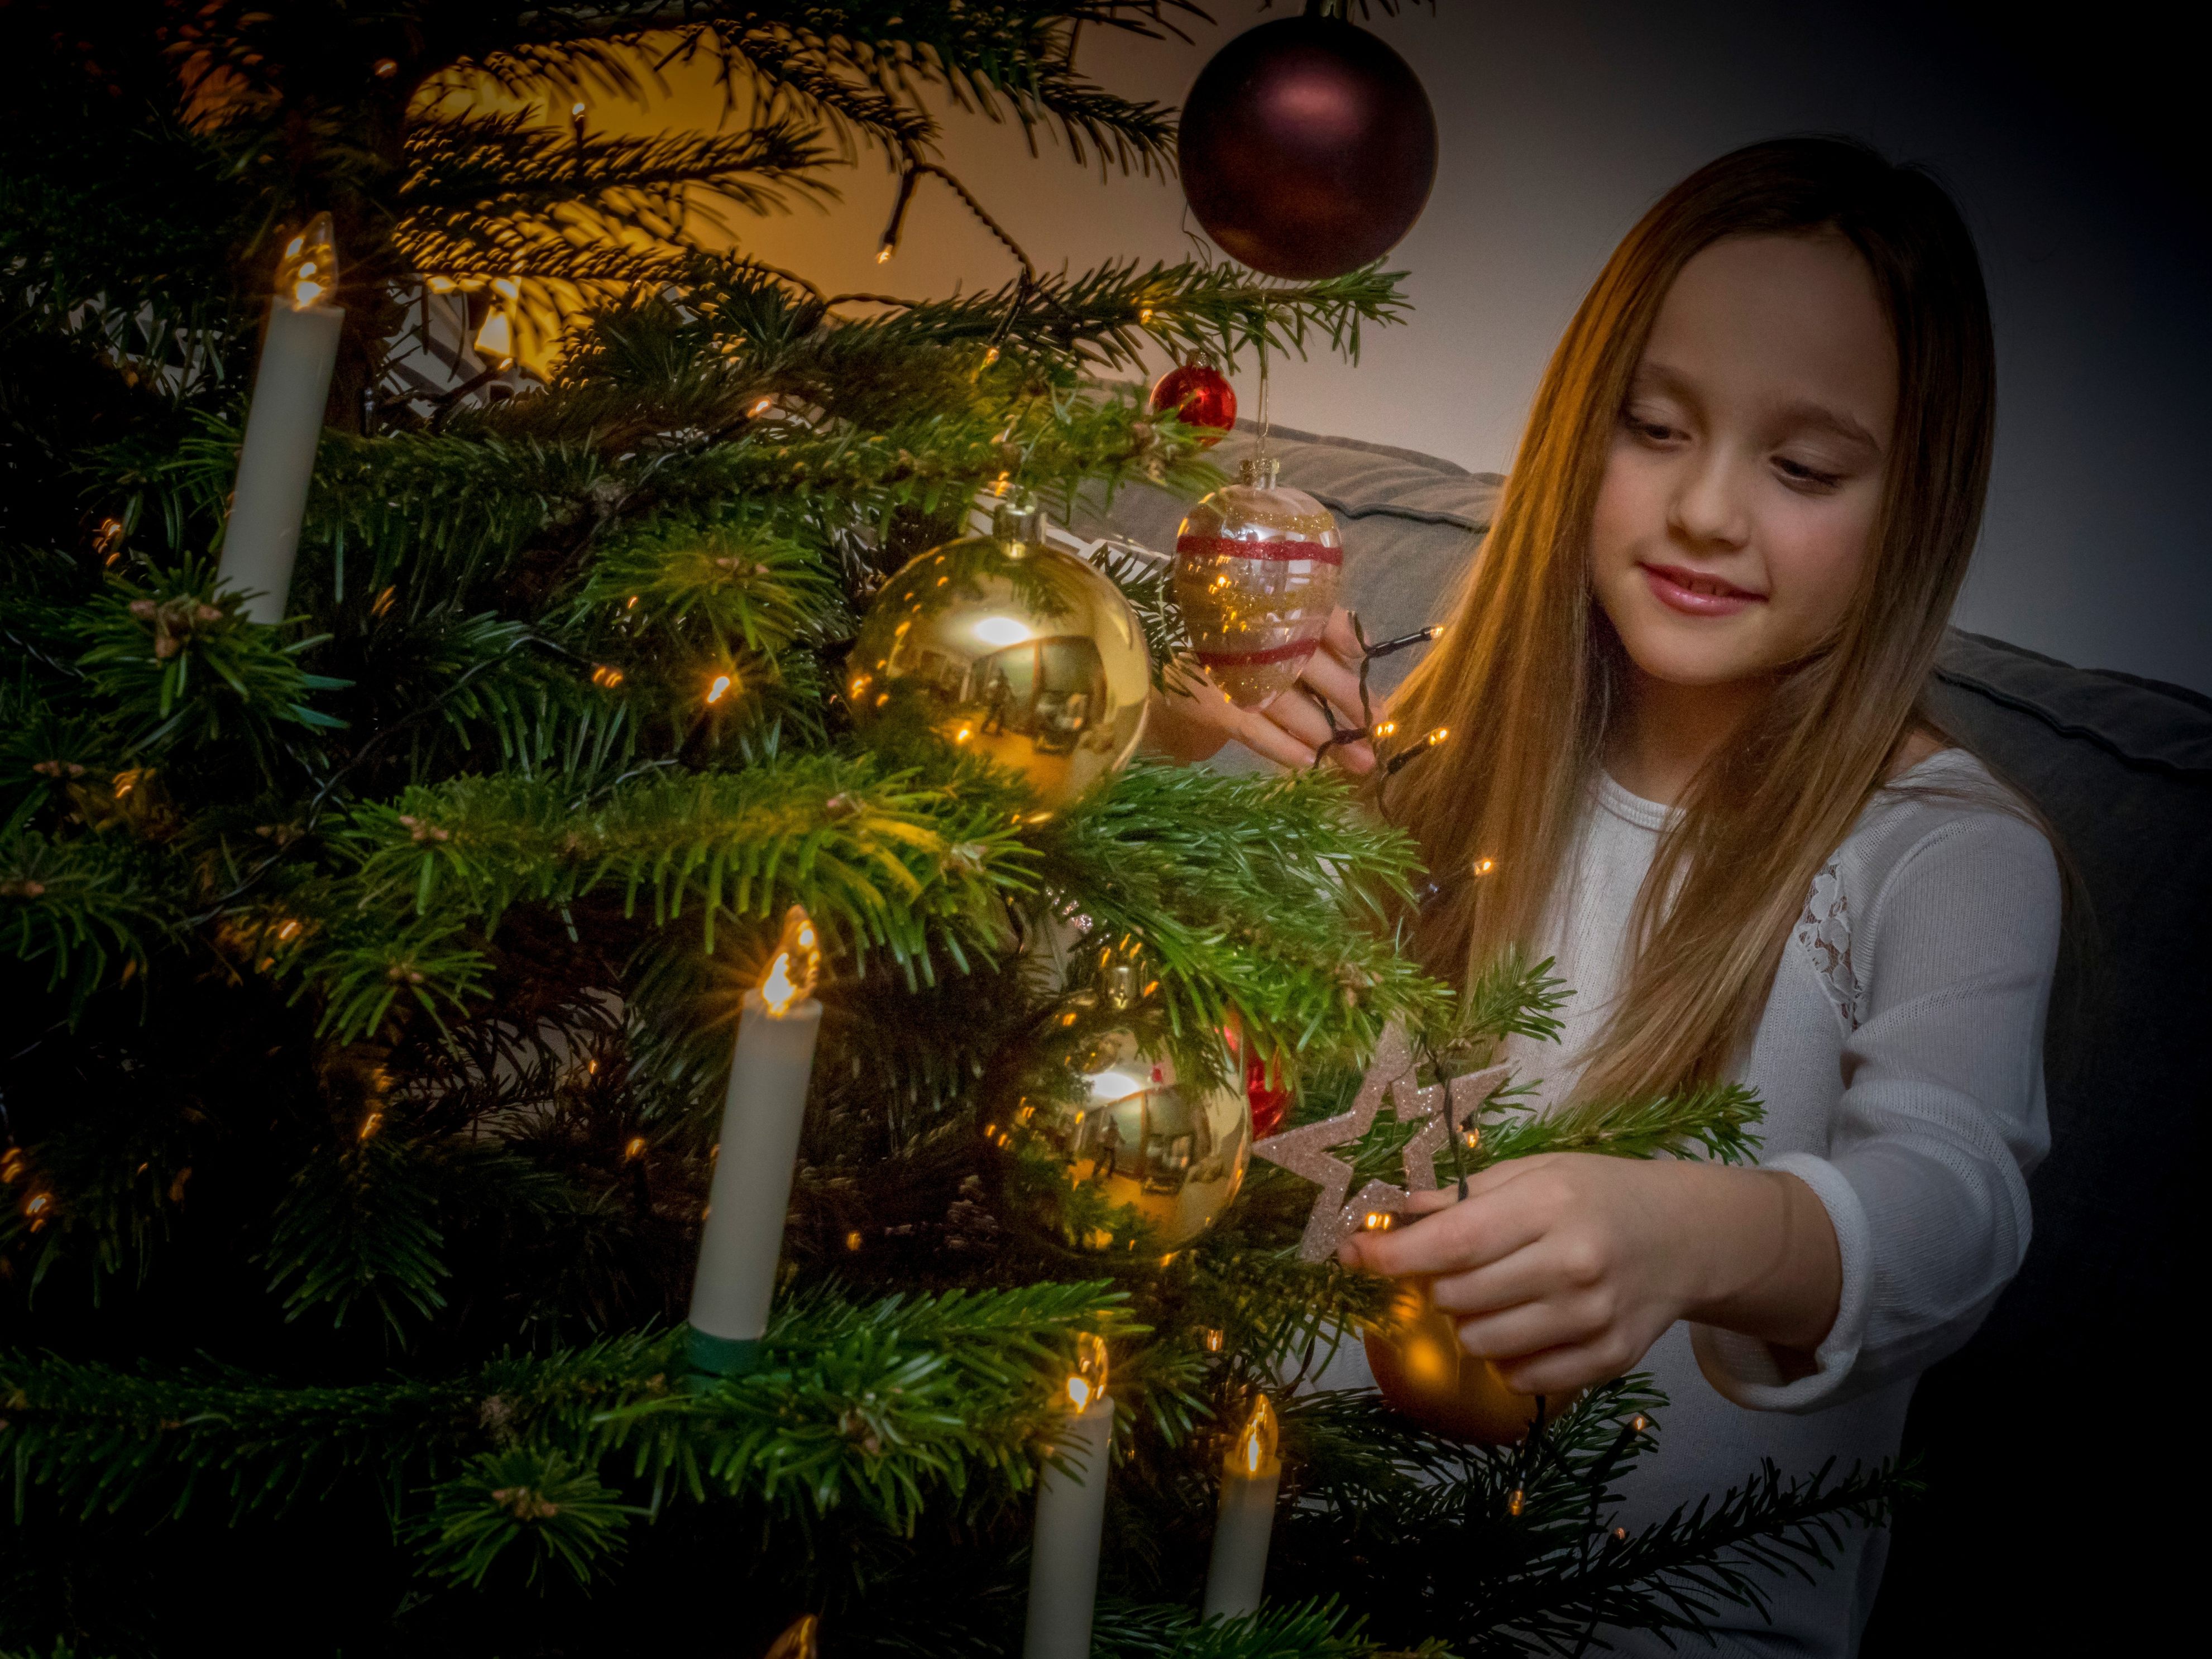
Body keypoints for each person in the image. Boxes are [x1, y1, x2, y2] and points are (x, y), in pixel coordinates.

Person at [1148, 137, 2060, 1656]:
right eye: (1654, 427)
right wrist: (1189, 743)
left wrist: (1696, 1234)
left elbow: (1953, 1212)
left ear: (1912, 504)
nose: (1705, 510)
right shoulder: (1427, 746)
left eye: (1802, 467)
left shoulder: (1944, 853)